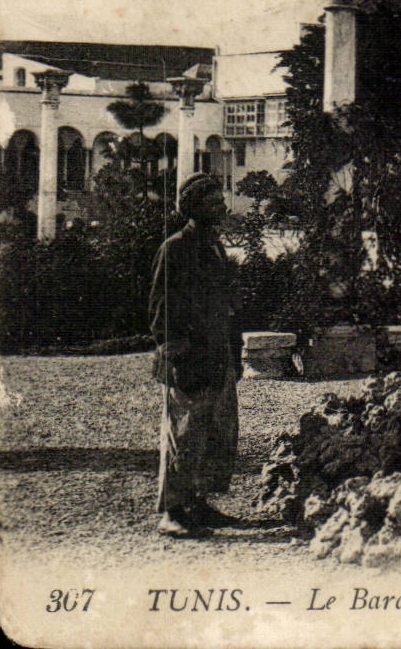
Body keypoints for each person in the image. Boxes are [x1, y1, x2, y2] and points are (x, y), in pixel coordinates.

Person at [150, 173, 243, 538]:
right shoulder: (175, 248)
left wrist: (233, 351)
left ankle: (198, 503)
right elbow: (162, 307)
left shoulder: (214, 247)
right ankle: (172, 512)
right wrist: (176, 354)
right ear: (192, 206)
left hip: (217, 354)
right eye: (213, 202)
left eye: (221, 200)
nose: (221, 207)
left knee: (216, 432)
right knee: (183, 435)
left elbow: (225, 304)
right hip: (188, 359)